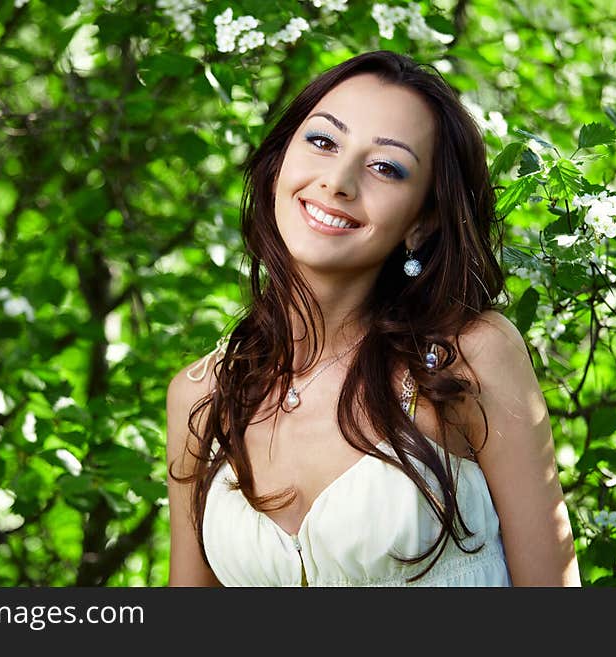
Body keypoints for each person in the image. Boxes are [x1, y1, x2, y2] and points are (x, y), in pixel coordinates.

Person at [165, 50, 581, 587]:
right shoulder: (203, 397)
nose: (338, 180)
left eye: (386, 167)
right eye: (322, 141)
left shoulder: (467, 359)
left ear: (422, 220)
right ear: (278, 164)